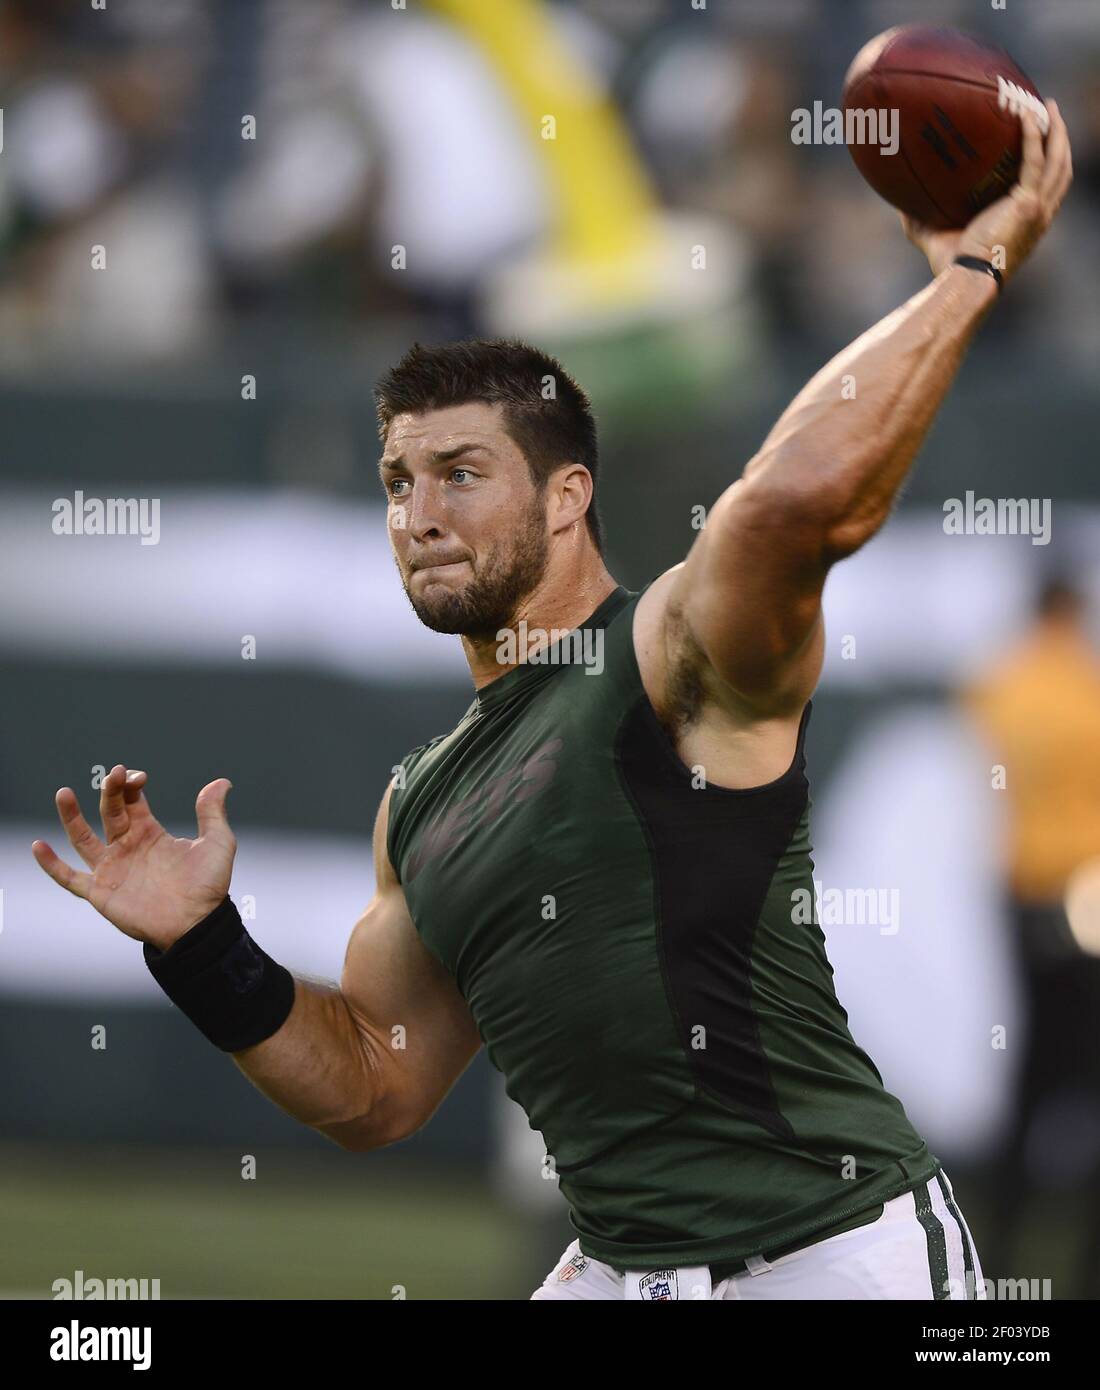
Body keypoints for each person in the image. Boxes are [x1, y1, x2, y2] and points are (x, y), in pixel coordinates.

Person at [33, 105, 1072, 1300]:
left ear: (569, 494)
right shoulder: (419, 805)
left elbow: (793, 505)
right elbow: (377, 1084)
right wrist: (203, 947)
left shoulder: (667, 654)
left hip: (828, 1252)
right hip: (622, 1269)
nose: (417, 515)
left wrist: (965, 274)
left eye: (461, 474)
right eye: (395, 482)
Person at [964, 576, 1100, 1300]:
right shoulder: (1084, 686)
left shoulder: (1002, 684)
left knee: (1030, 1079)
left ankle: (1003, 1253)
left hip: (1022, 902)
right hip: (1086, 902)